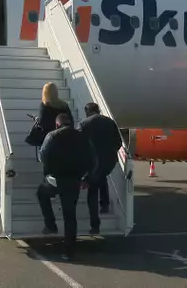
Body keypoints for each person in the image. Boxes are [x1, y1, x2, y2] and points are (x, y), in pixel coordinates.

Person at [36, 113, 94, 261]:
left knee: (42, 194)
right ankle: (69, 251)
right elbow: (93, 159)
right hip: (74, 180)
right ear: (71, 123)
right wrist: (86, 178)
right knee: (70, 216)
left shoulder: (52, 135)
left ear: (57, 124)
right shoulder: (82, 137)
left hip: (55, 179)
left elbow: (42, 155)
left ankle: (50, 224)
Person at [77, 102, 122, 235]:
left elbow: (78, 144)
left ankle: (95, 225)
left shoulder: (84, 124)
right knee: (101, 176)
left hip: (92, 162)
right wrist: (111, 152)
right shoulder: (109, 122)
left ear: (87, 111)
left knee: (92, 192)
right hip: (109, 160)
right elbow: (118, 142)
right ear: (98, 110)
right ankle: (105, 204)